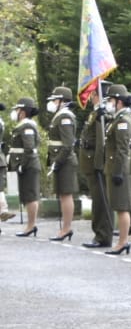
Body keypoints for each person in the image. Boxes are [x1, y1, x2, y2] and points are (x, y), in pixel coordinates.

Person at [102, 84, 131, 254]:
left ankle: (123, 241)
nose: (108, 103)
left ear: (119, 102)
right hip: (114, 166)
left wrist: (118, 171)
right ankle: (122, 240)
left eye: (111, 100)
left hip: (119, 168)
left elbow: (123, 148)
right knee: (118, 205)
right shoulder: (117, 118)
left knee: (122, 207)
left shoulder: (123, 120)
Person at [80, 86, 114, 248]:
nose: (90, 96)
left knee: (101, 201)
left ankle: (103, 235)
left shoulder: (102, 113)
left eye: (92, 93)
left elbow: (101, 142)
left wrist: (99, 164)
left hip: (96, 163)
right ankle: (99, 233)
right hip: (91, 162)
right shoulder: (96, 112)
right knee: (98, 200)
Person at [45, 87, 79, 241]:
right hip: (61, 160)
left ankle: (66, 228)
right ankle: (65, 228)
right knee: (63, 195)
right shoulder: (60, 116)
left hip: (65, 161)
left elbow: (67, 144)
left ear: (62, 101)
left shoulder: (65, 117)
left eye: (55, 100)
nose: (52, 103)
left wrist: (57, 162)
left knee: (66, 195)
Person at [8, 98, 42, 237]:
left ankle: (31, 225)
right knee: (28, 195)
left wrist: (22, 164)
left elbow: (29, 148)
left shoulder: (26, 126)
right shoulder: (23, 125)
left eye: (17, 109)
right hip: (26, 165)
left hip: (28, 165)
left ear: (23, 112)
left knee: (31, 195)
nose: (15, 112)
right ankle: (30, 225)